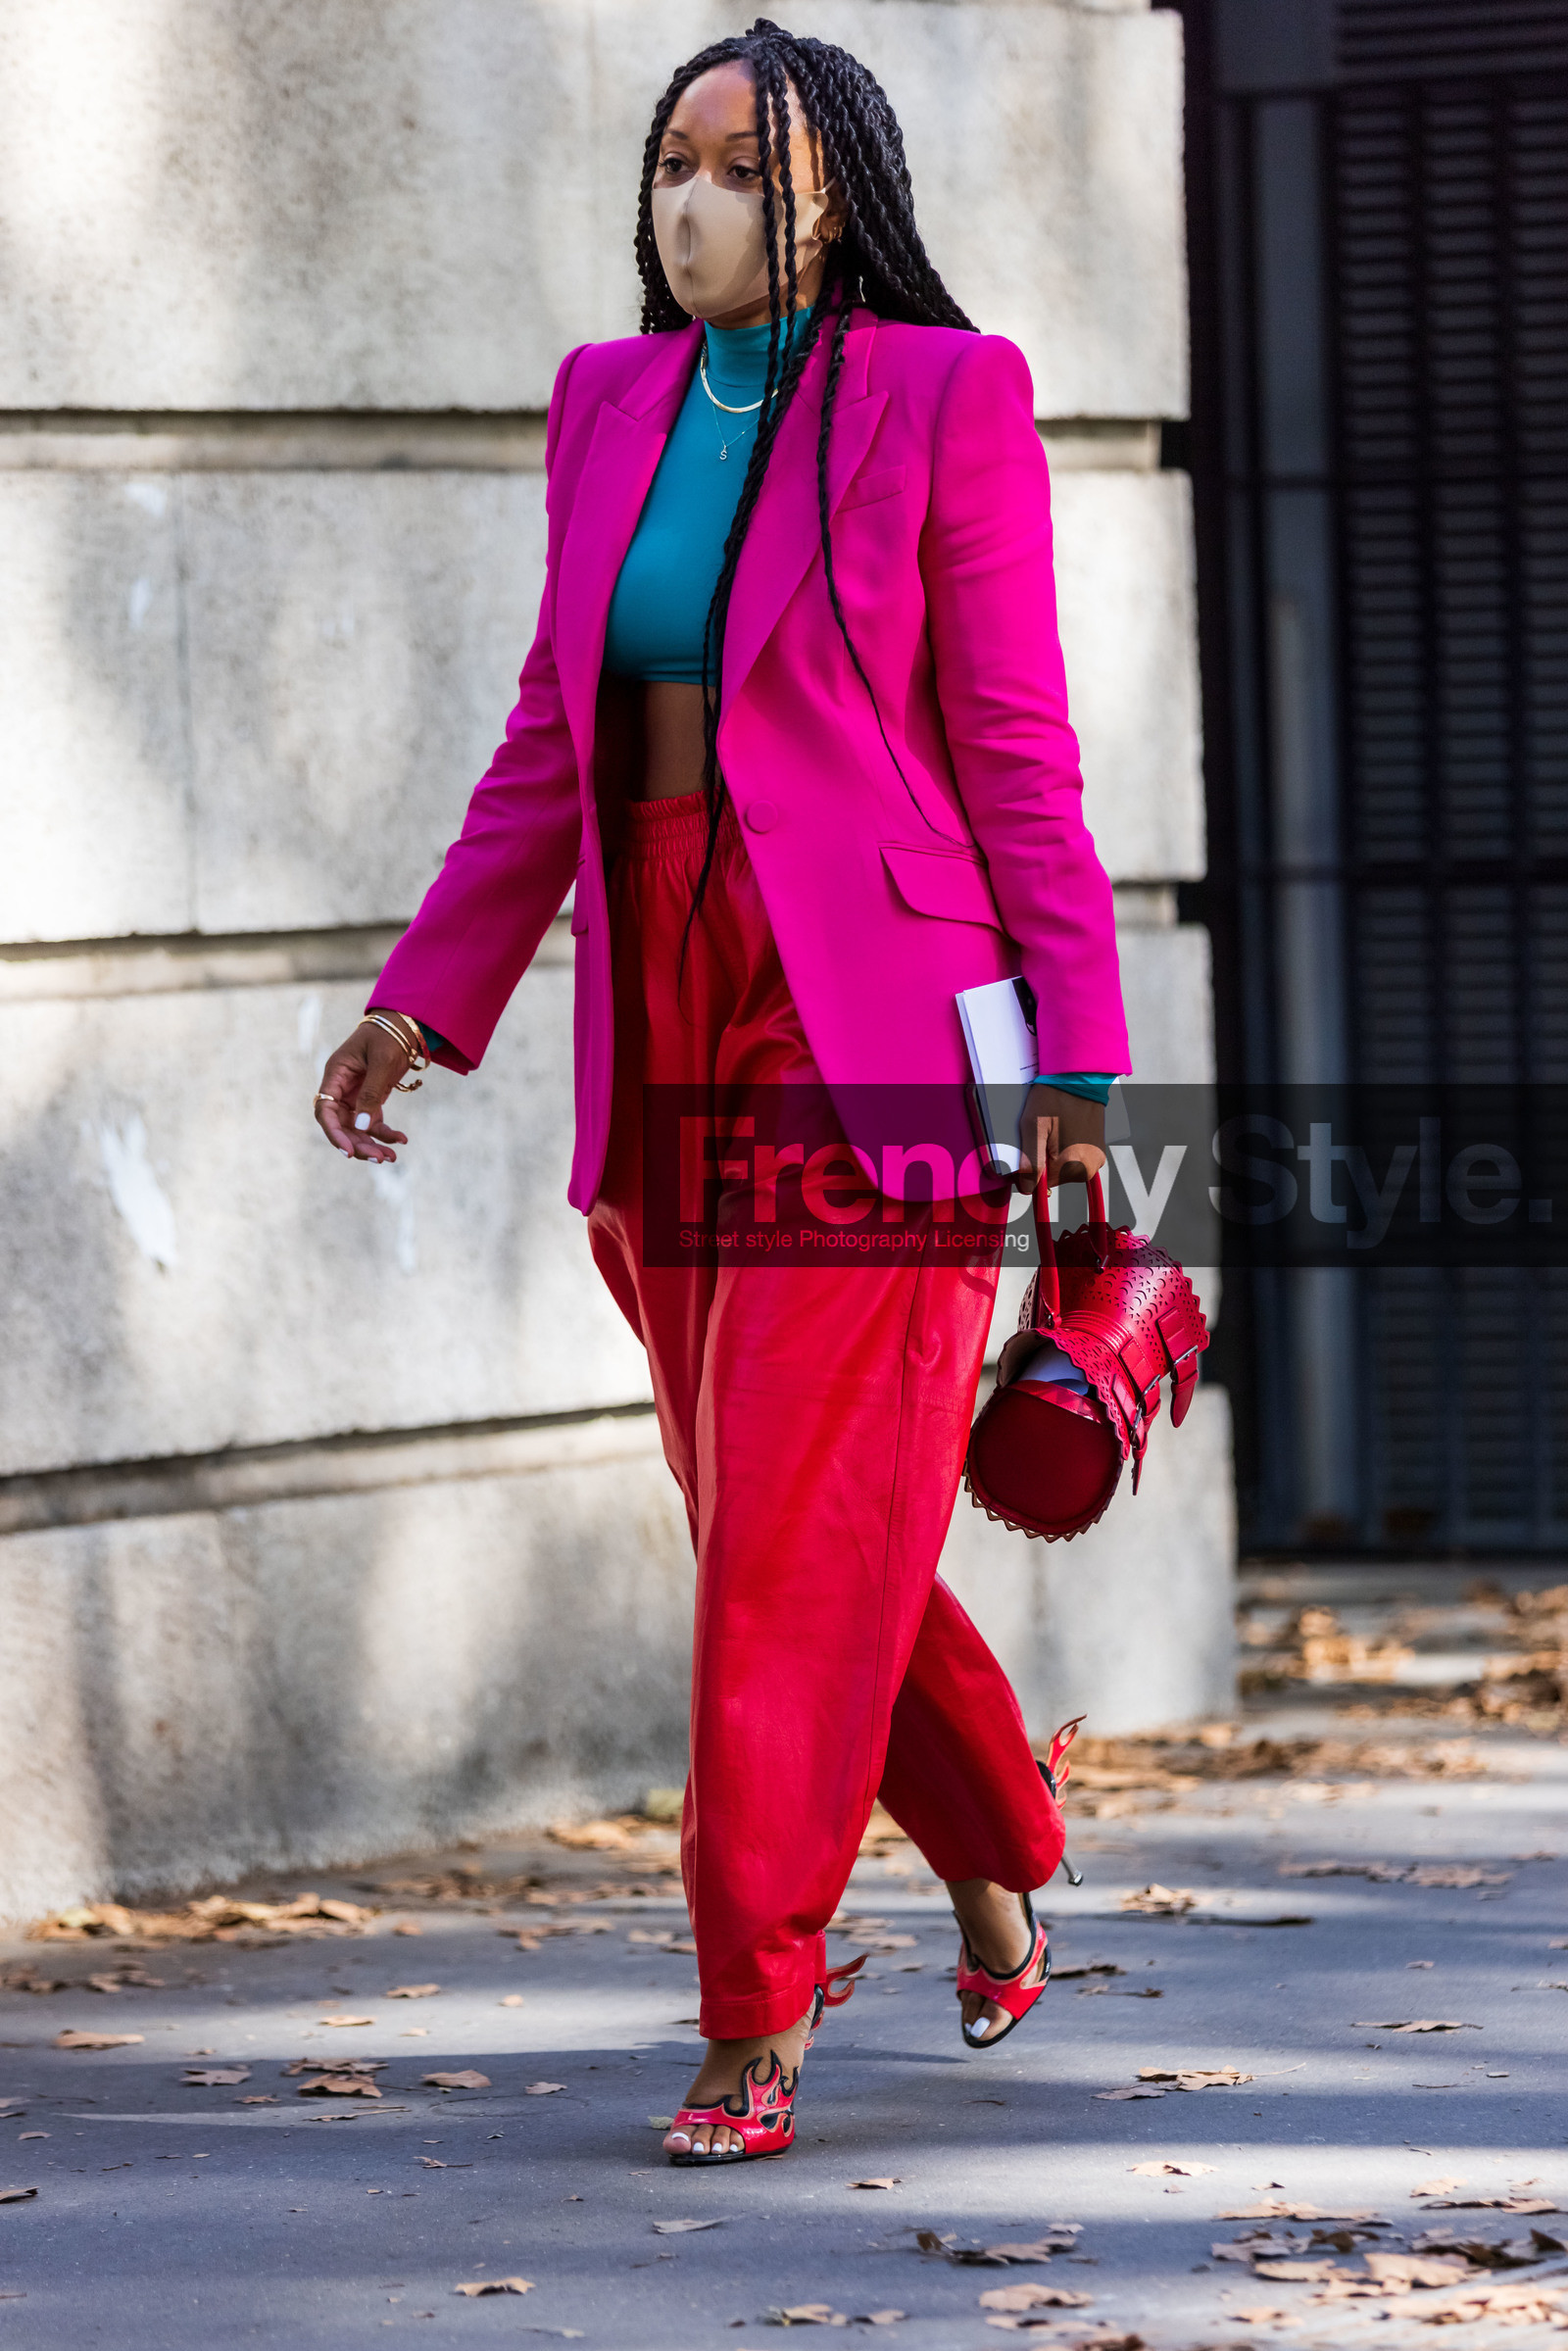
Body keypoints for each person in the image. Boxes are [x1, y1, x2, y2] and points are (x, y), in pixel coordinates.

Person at [314, 19, 1129, 2165]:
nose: (692, 205)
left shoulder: (948, 396)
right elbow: (544, 742)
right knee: (787, 1516)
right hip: (658, 1003)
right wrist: (428, 999)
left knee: (780, 1536)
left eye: (737, 169)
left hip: (874, 1029)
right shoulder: (606, 401)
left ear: (834, 194)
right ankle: (1000, 1836)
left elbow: (1019, 755)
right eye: (668, 163)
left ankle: (753, 2007)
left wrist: (1073, 1067)